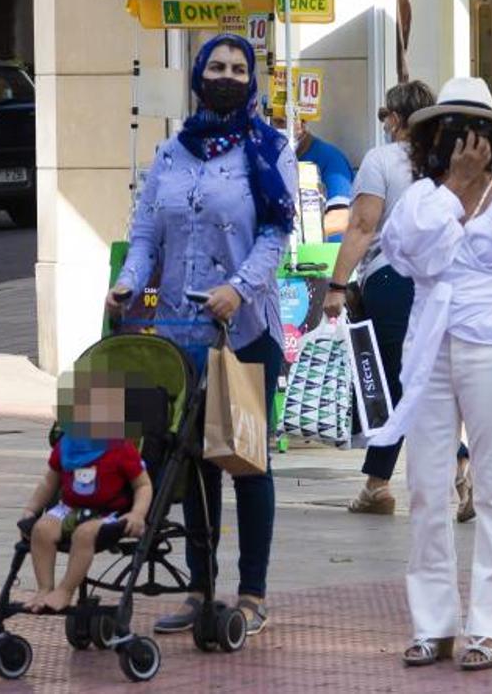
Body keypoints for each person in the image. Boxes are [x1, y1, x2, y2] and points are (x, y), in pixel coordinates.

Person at [368, 77, 492, 670]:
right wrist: (454, 189)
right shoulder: (422, 195)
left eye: (477, 129)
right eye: (455, 130)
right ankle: (433, 624)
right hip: (430, 347)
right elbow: (406, 256)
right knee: (428, 488)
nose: (468, 141)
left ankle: (488, 626)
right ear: (436, 137)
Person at [105, 33, 294, 636]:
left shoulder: (269, 149)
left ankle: (253, 592)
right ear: (197, 73)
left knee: (244, 462)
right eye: (217, 66)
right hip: (176, 337)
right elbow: (144, 236)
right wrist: (128, 284)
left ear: (252, 79)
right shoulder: (168, 154)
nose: (228, 76)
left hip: (242, 334)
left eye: (239, 68)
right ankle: (201, 588)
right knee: (191, 465)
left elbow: (275, 234)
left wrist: (239, 287)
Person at [318, 81, 474, 521]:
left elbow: (363, 226)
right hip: (447, 283)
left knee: (403, 385)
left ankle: (460, 468)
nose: (383, 122)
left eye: (386, 114)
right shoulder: (445, 165)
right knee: (415, 382)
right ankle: (377, 484)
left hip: (394, 281)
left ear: (399, 118)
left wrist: (337, 284)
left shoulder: (381, 159)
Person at [18, 370, 153, 613]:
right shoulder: (67, 445)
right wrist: (32, 508)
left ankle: (65, 590)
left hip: (108, 512)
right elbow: (49, 482)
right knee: (40, 530)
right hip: (69, 507)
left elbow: (143, 485)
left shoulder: (120, 448)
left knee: (84, 534)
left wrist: (137, 514)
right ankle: (44, 588)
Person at [276, 115, 354, 239]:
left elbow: (341, 217)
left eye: (282, 122)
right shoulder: (271, 159)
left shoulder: (329, 158)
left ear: (302, 123)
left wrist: (295, 236)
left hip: (323, 254)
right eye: (278, 122)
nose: (278, 129)